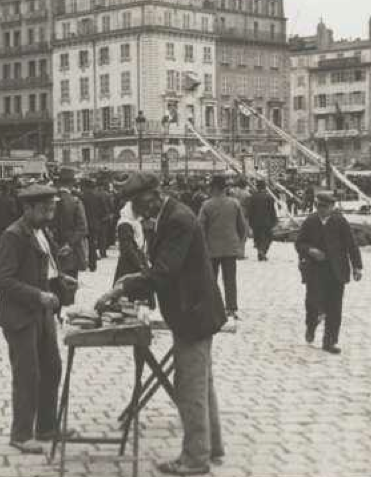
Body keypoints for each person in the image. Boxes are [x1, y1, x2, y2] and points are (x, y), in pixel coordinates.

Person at [96, 172, 226, 475]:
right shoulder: (169, 215)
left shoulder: (177, 219)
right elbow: (162, 266)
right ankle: (212, 446)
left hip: (193, 313)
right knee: (202, 383)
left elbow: (165, 272)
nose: (136, 209)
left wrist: (122, 288)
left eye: (137, 201)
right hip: (195, 309)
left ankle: (195, 460)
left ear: (153, 194)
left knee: (189, 386)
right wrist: (132, 279)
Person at [0, 184, 63, 454]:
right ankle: (21, 434)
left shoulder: (41, 230)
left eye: (52, 208)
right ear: (28, 208)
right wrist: (38, 295)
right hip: (20, 317)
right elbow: (2, 280)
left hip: (41, 314)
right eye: (45, 209)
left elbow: (42, 266)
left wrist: (58, 279)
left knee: (52, 368)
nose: (50, 213)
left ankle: (46, 427)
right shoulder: (14, 235)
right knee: (27, 375)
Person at [295, 192, 363, 354]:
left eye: (325, 207)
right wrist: (310, 250)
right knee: (312, 302)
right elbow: (299, 243)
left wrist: (357, 267)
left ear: (332, 207)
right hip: (314, 269)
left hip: (336, 270)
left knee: (335, 307)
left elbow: (351, 245)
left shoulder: (340, 222)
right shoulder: (310, 221)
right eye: (318, 206)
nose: (321, 210)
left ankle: (330, 341)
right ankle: (311, 325)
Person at [198, 175, 247, 321]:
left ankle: (212, 307)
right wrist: (238, 243)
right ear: (225, 188)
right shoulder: (234, 204)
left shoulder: (206, 205)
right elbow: (242, 227)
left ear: (213, 188)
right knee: (230, 280)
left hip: (211, 249)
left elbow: (200, 228)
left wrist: (202, 247)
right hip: (230, 249)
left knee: (211, 279)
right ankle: (231, 308)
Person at [50, 168, 88, 285]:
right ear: (72, 184)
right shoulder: (76, 202)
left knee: (52, 282)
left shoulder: (50, 201)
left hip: (51, 249)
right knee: (68, 285)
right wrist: (69, 244)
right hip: (70, 251)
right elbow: (82, 228)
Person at [245, 180, 277, 261]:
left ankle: (260, 251)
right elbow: (272, 211)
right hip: (267, 221)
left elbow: (250, 211)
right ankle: (263, 251)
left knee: (258, 238)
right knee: (269, 237)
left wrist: (250, 221)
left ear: (257, 187)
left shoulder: (252, 197)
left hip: (255, 222)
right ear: (265, 187)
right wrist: (274, 220)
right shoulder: (269, 197)